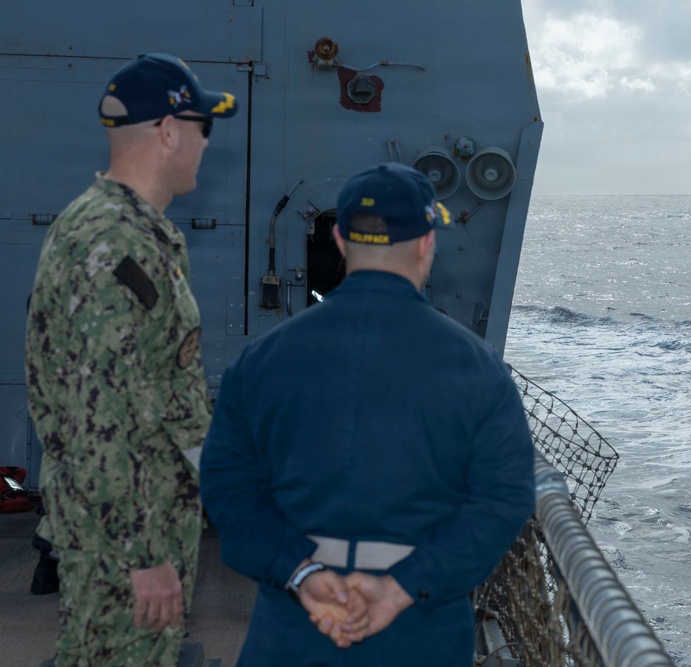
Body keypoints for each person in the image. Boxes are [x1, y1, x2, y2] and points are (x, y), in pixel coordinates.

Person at [199, 162, 536, 665]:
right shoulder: (477, 367)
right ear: (427, 242)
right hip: (419, 635)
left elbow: (226, 486)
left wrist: (303, 575)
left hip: (293, 631)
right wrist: (403, 587)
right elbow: (505, 499)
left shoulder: (263, 359)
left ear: (338, 238)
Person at [24, 52, 238, 666]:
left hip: (136, 522)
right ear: (169, 131)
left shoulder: (133, 232)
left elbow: (154, 391)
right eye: (204, 126)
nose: (204, 143)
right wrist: (144, 556)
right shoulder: (111, 240)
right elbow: (97, 417)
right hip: (124, 539)